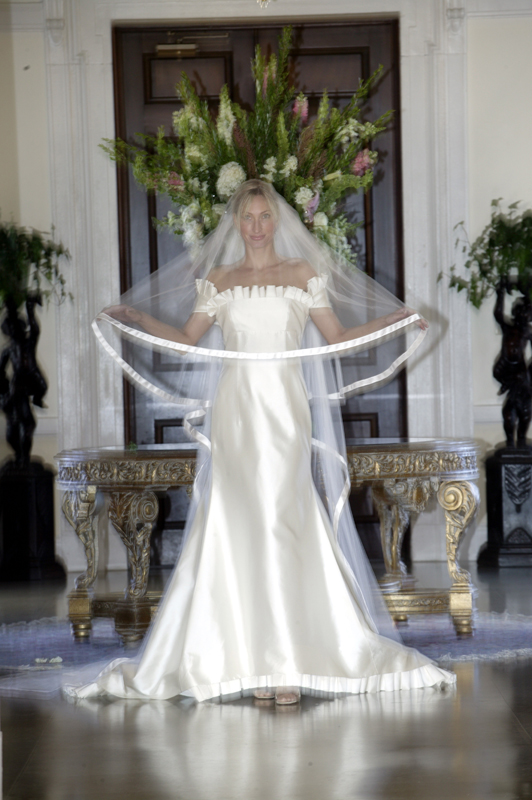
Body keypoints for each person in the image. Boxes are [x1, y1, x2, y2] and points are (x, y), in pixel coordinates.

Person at [67, 180, 454, 704]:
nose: (255, 227)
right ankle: (245, 659)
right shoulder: (219, 280)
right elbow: (187, 340)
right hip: (235, 412)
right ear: (235, 222)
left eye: (264, 216)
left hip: (285, 411)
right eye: (247, 217)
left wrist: (395, 320)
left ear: (277, 220)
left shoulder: (301, 273)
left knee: (282, 520)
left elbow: (338, 337)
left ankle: (287, 662)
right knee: (237, 521)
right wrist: (137, 319)